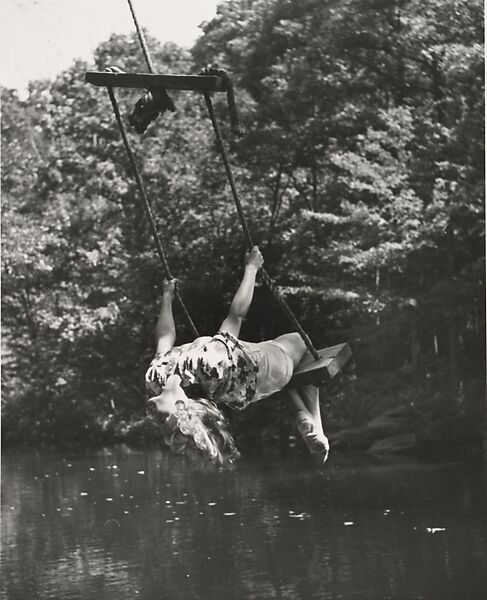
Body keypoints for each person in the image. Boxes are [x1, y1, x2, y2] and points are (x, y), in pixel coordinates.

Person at [145, 246, 329, 467]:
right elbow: (237, 316)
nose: (155, 418)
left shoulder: (156, 378)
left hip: (247, 375)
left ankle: (302, 415)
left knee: (288, 373)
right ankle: (315, 423)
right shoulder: (210, 365)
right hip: (264, 368)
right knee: (300, 342)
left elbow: (164, 337)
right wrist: (251, 268)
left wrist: (166, 298)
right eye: (166, 419)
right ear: (181, 406)